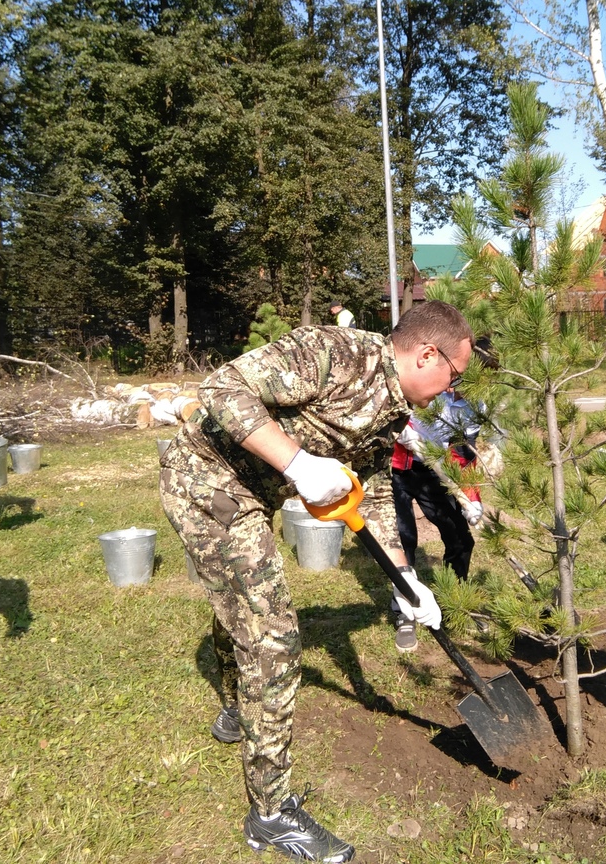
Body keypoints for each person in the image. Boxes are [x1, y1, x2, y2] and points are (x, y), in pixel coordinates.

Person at [159, 300, 472, 863]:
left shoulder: (392, 409)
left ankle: (237, 705)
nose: (451, 392)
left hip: (255, 491)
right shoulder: (336, 353)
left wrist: (407, 580)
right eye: (454, 377)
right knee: (273, 635)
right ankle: (271, 818)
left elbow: (373, 492)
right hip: (208, 482)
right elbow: (222, 388)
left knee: (242, 604)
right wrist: (299, 463)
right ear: (428, 354)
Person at [389, 386, 488, 652]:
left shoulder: (476, 407)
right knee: (402, 539)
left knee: (460, 536)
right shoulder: (429, 387)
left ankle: (457, 599)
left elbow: (463, 456)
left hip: (434, 471)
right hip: (395, 470)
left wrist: (472, 497)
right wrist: (402, 434)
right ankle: (405, 612)